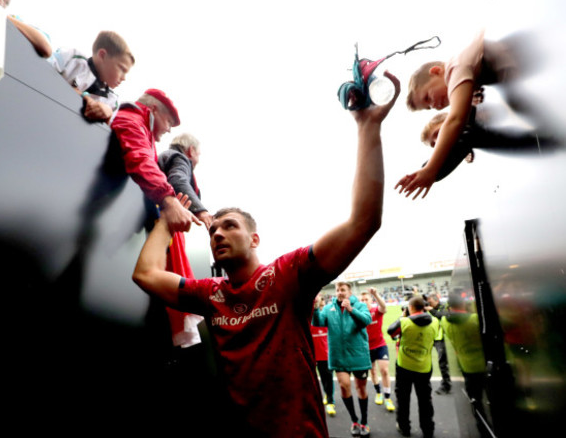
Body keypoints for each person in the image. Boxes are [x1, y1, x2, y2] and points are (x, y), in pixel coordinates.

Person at [132, 72, 400, 437]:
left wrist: (368, 127)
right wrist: (167, 218)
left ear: (255, 239)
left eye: (229, 226)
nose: (218, 233)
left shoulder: (288, 274)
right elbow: (146, 275)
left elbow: (364, 221)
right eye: (213, 230)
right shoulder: (212, 294)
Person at [396, 30, 524, 199]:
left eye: (427, 97)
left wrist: (430, 170)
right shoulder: (467, 78)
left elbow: (455, 120)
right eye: (428, 108)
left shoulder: (455, 70)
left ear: (436, 71)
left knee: (468, 134)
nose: (434, 106)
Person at [111, 89, 198, 235]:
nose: (169, 130)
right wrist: (169, 201)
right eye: (169, 121)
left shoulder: (144, 130)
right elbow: (140, 160)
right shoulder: (132, 121)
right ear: (153, 109)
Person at [158, 133, 212, 348]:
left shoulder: (164, 156)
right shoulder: (179, 158)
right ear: (190, 151)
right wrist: (203, 212)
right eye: (198, 154)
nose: (197, 160)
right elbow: (178, 180)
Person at [313, 282, 372, 436]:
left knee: (361, 388)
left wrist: (351, 310)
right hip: (339, 356)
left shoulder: (359, 305)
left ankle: (365, 421)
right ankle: (354, 420)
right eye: (338, 290)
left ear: (349, 292)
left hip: (358, 355)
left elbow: (366, 320)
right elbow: (318, 322)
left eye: (343, 290)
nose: (339, 292)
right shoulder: (329, 308)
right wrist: (314, 308)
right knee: (344, 386)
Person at [48, 31, 135, 123]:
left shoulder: (112, 101)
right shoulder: (72, 59)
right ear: (102, 55)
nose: (124, 78)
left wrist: (108, 112)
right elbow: (42, 71)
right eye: (122, 69)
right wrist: (83, 96)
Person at [388, 295, 439, 438]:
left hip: (404, 367)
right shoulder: (434, 322)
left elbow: (391, 332)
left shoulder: (404, 322)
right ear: (423, 307)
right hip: (424, 367)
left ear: (410, 308)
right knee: (425, 400)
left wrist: (402, 316)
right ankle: (428, 429)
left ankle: (405, 428)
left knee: (403, 399)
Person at [440, 294, 487, 432]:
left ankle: (481, 426)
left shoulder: (445, 320)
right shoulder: (474, 319)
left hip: (466, 366)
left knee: (476, 399)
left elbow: (446, 315)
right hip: (484, 366)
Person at [359, 288, 395, 412]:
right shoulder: (359, 315)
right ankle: (378, 392)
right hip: (366, 348)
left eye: (366, 299)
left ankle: (387, 397)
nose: (364, 301)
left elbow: (384, 307)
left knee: (384, 370)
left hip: (380, 345)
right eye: (362, 300)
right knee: (373, 372)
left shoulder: (376, 311)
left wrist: (375, 294)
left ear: (370, 300)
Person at [311, 293, 336, 417]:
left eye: (321, 303)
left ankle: (330, 400)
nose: (320, 304)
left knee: (328, 379)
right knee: (314, 380)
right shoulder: (311, 319)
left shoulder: (327, 318)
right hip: (312, 355)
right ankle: (321, 398)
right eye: (317, 303)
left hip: (325, 356)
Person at [426, 291, 451, 395]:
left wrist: (431, 310)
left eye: (430, 301)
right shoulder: (430, 309)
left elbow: (442, 316)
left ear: (436, 300)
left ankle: (446, 385)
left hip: (442, 339)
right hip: (433, 338)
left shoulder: (443, 307)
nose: (429, 304)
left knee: (443, 363)